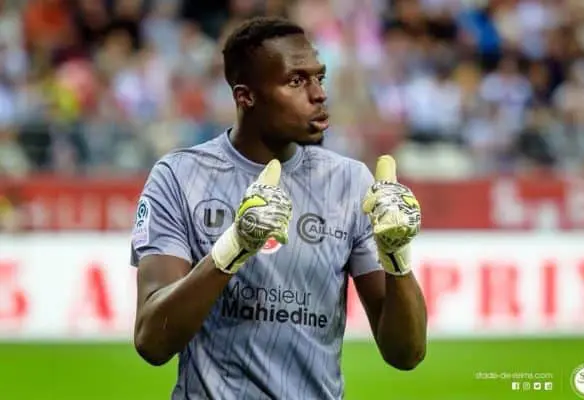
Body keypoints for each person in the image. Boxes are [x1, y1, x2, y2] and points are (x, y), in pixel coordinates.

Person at [130, 16, 427, 400]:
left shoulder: (350, 182)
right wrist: (234, 247)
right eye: (296, 81)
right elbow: (152, 342)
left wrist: (397, 257)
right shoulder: (179, 176)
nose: (319, 94)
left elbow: (406, 354)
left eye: (319, 77)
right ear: (245, 97)